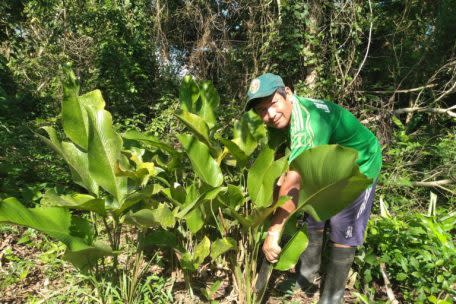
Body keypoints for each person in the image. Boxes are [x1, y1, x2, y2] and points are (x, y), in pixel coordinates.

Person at [244, 73, 382, 304]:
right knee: (313, 217)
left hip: (359, 166)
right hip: (327, 165)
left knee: (342, 230)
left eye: (273, 104)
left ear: (288, 93)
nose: (269, 114)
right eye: (261, 110)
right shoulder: (279, 120)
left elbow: (294, 181)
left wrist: (274, 231)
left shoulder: (308, 123)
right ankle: (305, 279)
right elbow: (279, 161)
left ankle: (331, 298)